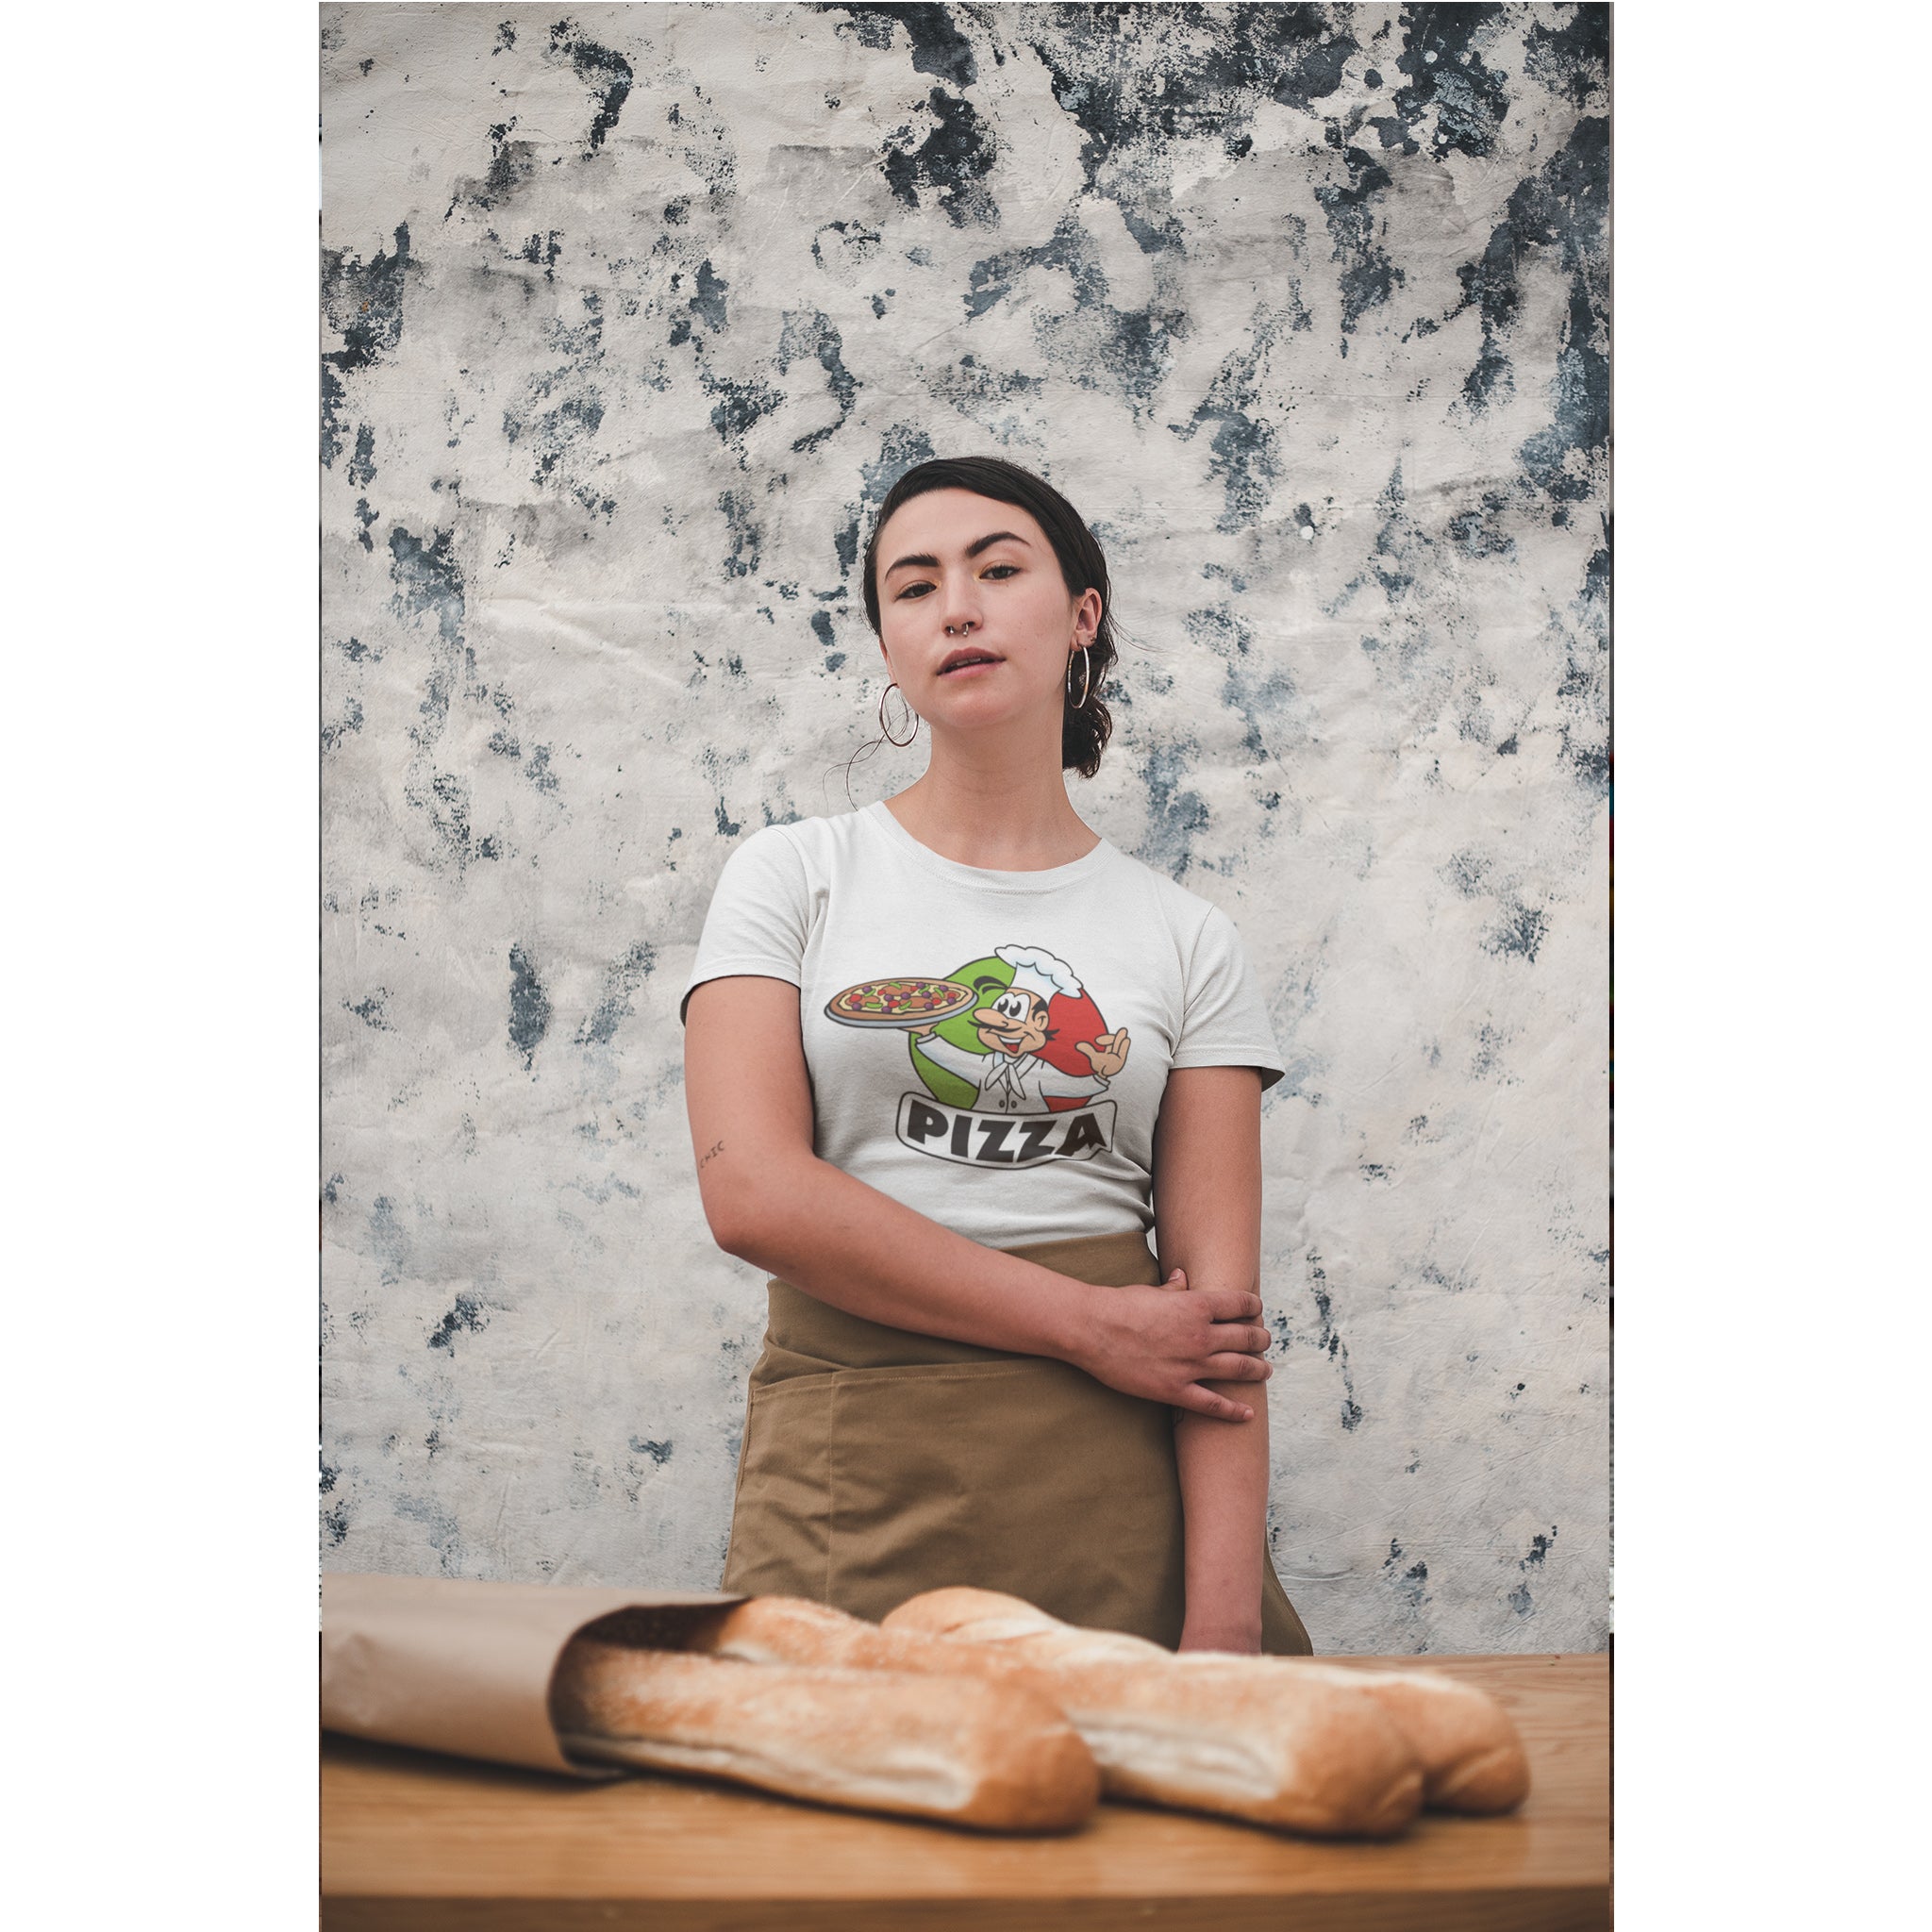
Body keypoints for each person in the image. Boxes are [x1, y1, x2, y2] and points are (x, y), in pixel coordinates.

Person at [680, 454, 1312, 1654]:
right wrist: (1090, 1321)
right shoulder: (794, 875)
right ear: (888, 646)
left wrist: (1222, 1622)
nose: (956, 605)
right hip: (853, 1470)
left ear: (1081, 616)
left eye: (998, 567)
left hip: (1113, 1487)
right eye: (912, 587)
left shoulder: (1186, 937)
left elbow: (1218, 1325)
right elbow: (751, 1191)